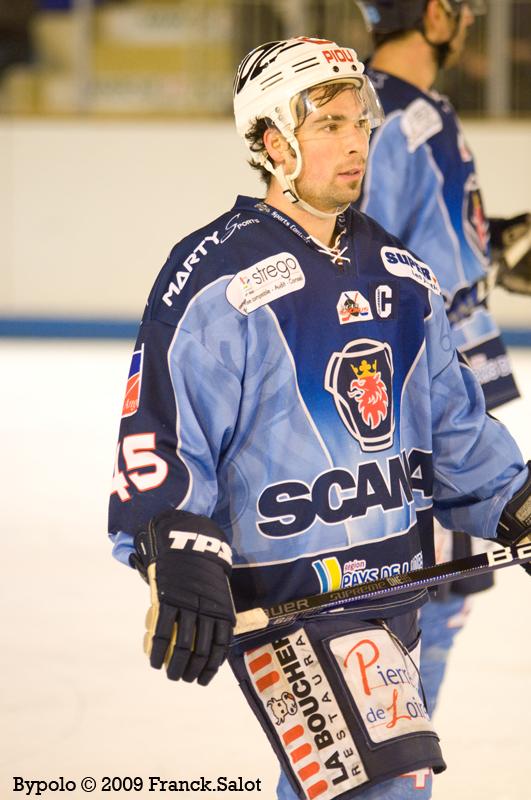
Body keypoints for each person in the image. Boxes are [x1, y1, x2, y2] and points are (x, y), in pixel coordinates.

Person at [108, 37, 530, 800]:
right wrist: (176, 546)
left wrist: (516, 502)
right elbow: (163, 432)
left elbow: (453, 429)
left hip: (392, 589)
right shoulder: (218, 278)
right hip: (291, 601)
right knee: (386, 787)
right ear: (273, 143)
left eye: (359, 123)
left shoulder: (400, 271)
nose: (356, 143)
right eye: (328, 125)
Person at [354, 0, 531, 722]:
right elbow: (356, 264)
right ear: (434, 14)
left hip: (447, 393)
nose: (470, 21)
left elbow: (407, 244)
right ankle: (392, 765)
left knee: (443, 603)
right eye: (465, 9)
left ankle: (398, 761)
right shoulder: (383, 118)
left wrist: (488, 246)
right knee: (418, 611)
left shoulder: (411, 108)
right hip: (420, 403)